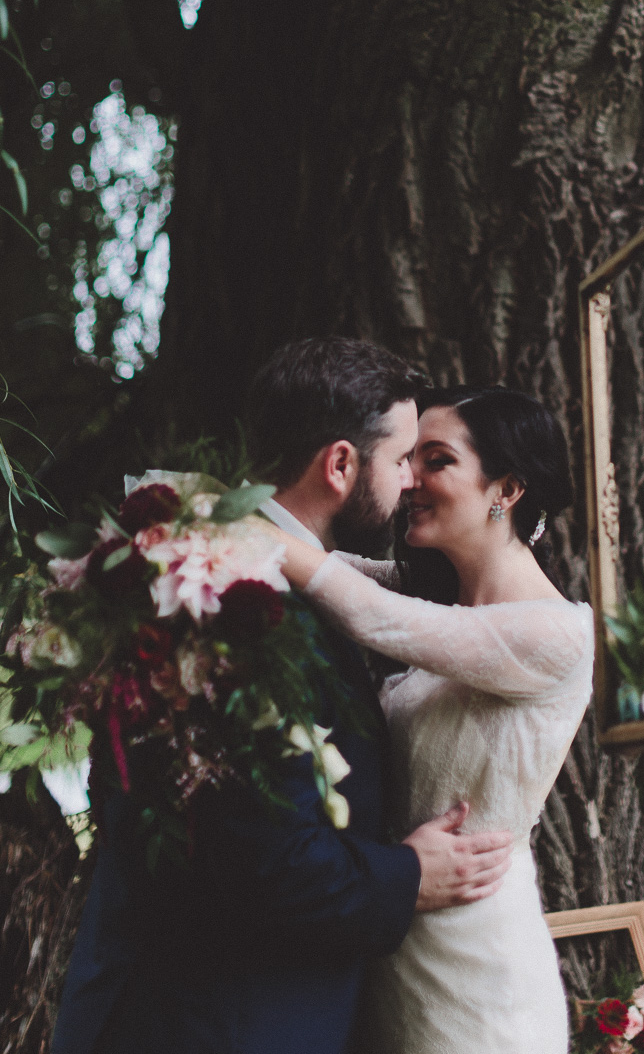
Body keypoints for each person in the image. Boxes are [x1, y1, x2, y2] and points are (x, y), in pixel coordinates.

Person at [52, 340, 513, 1054]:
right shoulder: (247, 607)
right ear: (338, 465)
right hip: (216, 1021)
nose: (407, 486)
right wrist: (410, 875)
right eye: (398, 463)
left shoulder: (203, 566)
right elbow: (266, 859)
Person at [264, 385, 595, 1054]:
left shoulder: (558, 633)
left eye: (435, 460)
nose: (407, 480)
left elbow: (361, 610)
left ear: (505, 487)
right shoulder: (430, 596)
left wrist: (231, 525)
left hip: (475, 963)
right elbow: (321, 563)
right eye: (407, 459)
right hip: (398, 933)